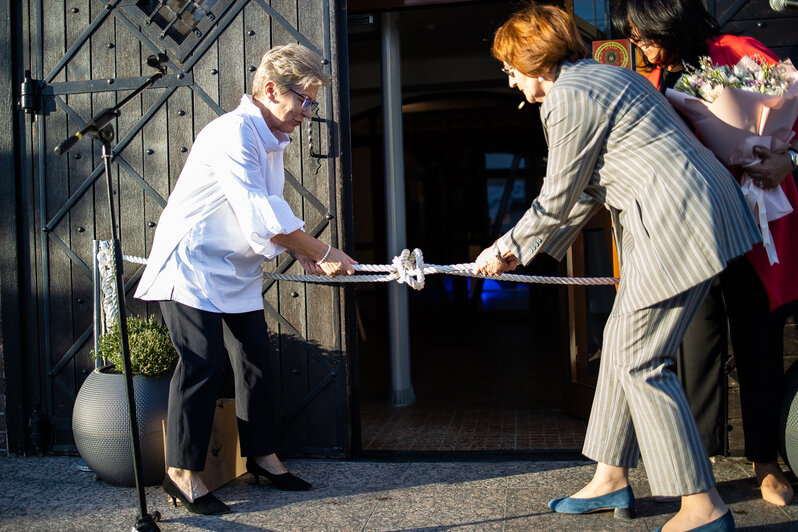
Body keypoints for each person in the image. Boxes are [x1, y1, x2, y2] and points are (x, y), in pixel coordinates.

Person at [475, 4, 761, 531]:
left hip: (675, 226)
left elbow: (557, 197)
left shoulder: (568, 98)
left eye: (509, 66)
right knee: (623, 344)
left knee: (640, 362)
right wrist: (518, 248)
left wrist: (505, 247)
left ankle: (703, 506)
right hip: (687, 217)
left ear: (532, 60)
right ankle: (610, 479)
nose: (509, 79)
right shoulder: (599, 78)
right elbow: (585, 188)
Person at [134, 43, 357, 515]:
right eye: (305, 100)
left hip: (233, 271)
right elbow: (260, 212)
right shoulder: (232, 132)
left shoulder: (270, 140)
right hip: (191, 264)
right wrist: (321, 250)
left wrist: (303, 254)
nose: (309, 113)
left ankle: (262, 456)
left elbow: (268, 214)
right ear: (272, 89)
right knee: (201, 363)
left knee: (254, 358)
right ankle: (181, 474)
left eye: (313, 103)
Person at [612, 0, 798, 507]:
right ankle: (702, 467)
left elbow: (786, 122)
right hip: (688, 233)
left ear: (670, 21)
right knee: (695, 348)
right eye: (631, 36)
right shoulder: (649, 78)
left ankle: (766, 462)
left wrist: (789, 157)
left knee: (759, 342)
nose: (639, 45)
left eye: (644, 34)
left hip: (754, 225)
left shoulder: (739, 54)